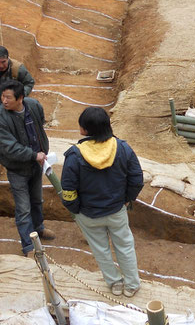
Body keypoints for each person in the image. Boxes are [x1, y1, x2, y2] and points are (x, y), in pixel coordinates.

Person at [61, 107, 143, 297]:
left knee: (101, 250)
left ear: (84, 130)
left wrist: (76, 210)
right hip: (116, 211)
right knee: (125, 246)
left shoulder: (75, 155)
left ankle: (114, 283)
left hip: (89, 214)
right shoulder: (122, 148)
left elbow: (68, 189)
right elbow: (137, 179)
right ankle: (131, 285)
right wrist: (126, 199)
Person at [0, 79, 55, 255]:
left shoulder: (33, 106)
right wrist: (34, 155)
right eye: (3, 97)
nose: (4, 101)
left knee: (37, 200)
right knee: (23, 207)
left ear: (20, 98)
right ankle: (28, 246)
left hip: (37, 164)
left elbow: (40, 124)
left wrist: (40, 153)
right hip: (17, 168)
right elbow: (8, 146)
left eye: (8, 97)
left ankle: (39, 229)